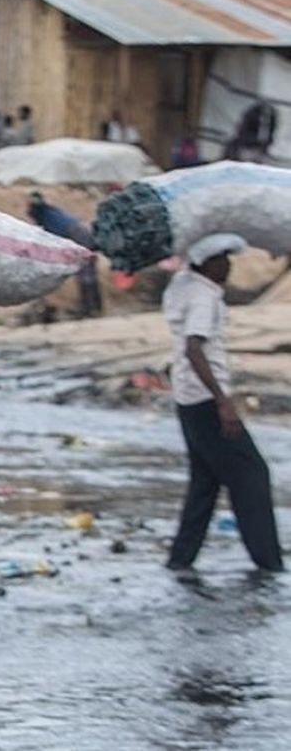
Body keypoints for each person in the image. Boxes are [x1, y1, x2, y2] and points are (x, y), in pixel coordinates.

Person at [163, 233, 283, 572]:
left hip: (187, 397)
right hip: (204, 397)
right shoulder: (204, 298)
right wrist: (223, 401)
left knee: (205, 482)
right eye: (222, 259)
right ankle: (269, 564)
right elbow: (193, 347)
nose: (228, 266)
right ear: (206, 262)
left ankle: (180, 561)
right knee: (252, 475)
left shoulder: (182, 284)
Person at [27, 192, 102, 317]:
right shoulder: (51, 211)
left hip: (78, 237)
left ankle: (90, 310)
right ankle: (95, 308)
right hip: (83, 234)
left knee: (86, 276)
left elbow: (55, 236)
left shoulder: (44, 215)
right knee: (89, 275)